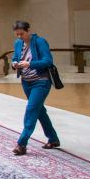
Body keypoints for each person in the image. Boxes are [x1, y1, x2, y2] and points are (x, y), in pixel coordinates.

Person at [10, 20, 60, 155]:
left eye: (21, 34)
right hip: (26, 82)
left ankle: (21, 144)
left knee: (31, 109)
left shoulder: (40, 42)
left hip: (41, 81)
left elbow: (48, 61)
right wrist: (14, 63)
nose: (19, 37)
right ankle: (53, 139)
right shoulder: (18, 43)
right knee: (39, 111)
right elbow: (15, 57)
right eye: (17, 35)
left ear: (28, 30)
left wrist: (29, 64)